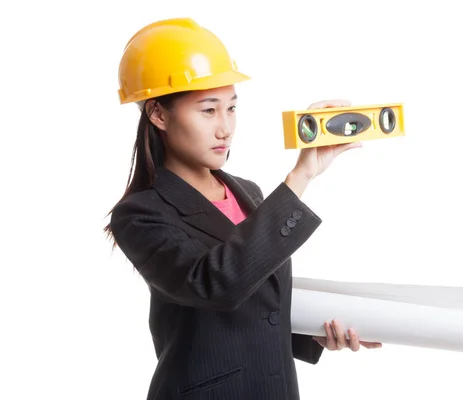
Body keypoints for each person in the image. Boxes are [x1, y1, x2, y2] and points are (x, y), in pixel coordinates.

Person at [105, 17, 382, 399]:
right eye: (208, 110)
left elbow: (258, 297)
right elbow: (215, 284)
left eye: (232, 108)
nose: (225, 128)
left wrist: (313, 334)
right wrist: (300, 177)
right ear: (158, 114)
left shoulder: (247, 193)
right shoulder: (140, 214)